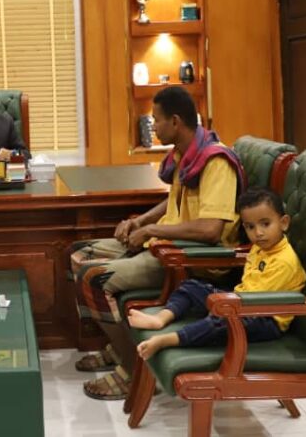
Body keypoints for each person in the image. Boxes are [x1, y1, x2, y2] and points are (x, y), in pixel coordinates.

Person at [69, 84, 245, 401]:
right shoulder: (185, 153)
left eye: (157, 120)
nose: (153, 126)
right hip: (164, 244)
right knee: (77, 253)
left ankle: (132, 369)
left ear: (175, 121)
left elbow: (210, 230)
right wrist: (142, 222)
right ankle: (118, 347)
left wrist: (152, 231)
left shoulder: (215, 161)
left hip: (189, 259)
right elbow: (173, 200)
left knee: (93, 277)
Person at [130, 187, 306, 358]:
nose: (258, 233)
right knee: (191, 286)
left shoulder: (284, 262)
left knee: (221, 321)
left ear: (283, 223)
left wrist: (224, 306)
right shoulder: (260, 247)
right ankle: (160, 319)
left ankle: (167, 340)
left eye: (265, 224)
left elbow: (257, 303)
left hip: (265, 319)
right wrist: (225, 302)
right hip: (241, 301)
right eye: (250, 227)